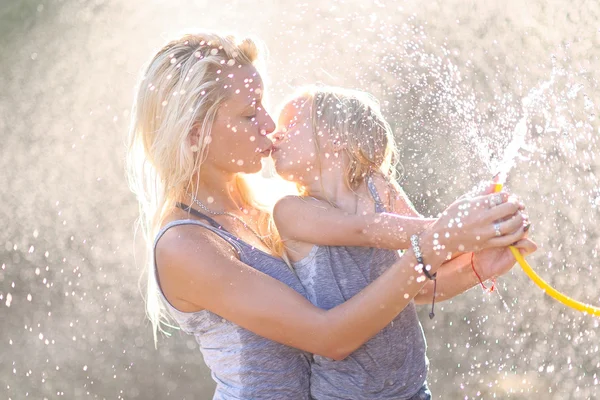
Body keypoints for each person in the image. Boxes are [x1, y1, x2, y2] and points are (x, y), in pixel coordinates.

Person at [126, 32, 533, 399]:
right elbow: (330, 336)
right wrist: (441, 237)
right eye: (250, 115)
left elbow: (404, 288)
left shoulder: (277, 202)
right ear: (196, 134)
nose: (269, 126)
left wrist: (477, 265)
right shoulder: (186, 244)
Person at [269, 85, 536, 399]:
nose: (274, 134)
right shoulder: (290, 210)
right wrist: (459, 228)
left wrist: (479, 260)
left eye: (288, 126)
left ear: (336, 137)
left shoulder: (377, 186)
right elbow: (366, 230)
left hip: (412, 389)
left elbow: (420, 280)